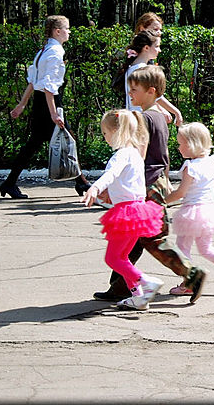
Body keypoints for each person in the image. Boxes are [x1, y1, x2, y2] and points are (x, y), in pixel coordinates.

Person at [93, 66, 207, 304]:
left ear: (151, 91)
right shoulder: (159, 116)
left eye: (134, 89)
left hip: (147, 184)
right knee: (133, 239)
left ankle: (191, 274)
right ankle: (121, 286)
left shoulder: (143, 119)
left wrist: (124, 188)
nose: (130, 93)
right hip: (157, 181)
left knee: (151, 239)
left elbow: (139, 154)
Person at [80, 110, 165, 311]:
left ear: (116, 132)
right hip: (138, 211)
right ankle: (138, 297)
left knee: (112, 258)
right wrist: (111, 193)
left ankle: (146, 282)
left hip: (126, 213)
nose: (105, 138)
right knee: (122, 258)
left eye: (105, 133)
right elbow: (130, 182)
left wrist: (95, 188)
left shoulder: (121, 155)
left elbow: (111, 175)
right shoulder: (134, 153)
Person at [2, 15, 91, 199]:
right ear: (57, 31)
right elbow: (49, 86)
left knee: (37, 144)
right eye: (67, 28)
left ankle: (10, 183)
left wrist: (22, 105)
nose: (69, 32)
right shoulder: (54, 53)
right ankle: (81, 183)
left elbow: (34, 81)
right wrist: (54, 113)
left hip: (41, 101)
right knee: (68, 140)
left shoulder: (44, 50)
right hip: (49, 103)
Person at [166, 122, 214, 293]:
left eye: (181, 144)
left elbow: (181, 192)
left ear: (191, 144)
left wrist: (163, 200)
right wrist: (213, 205)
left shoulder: (190, 167)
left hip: (192, 213)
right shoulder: (211, 162)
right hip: (209, 210)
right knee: (206, 248)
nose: (179, 148)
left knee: (182, 248)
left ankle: (189, 282)